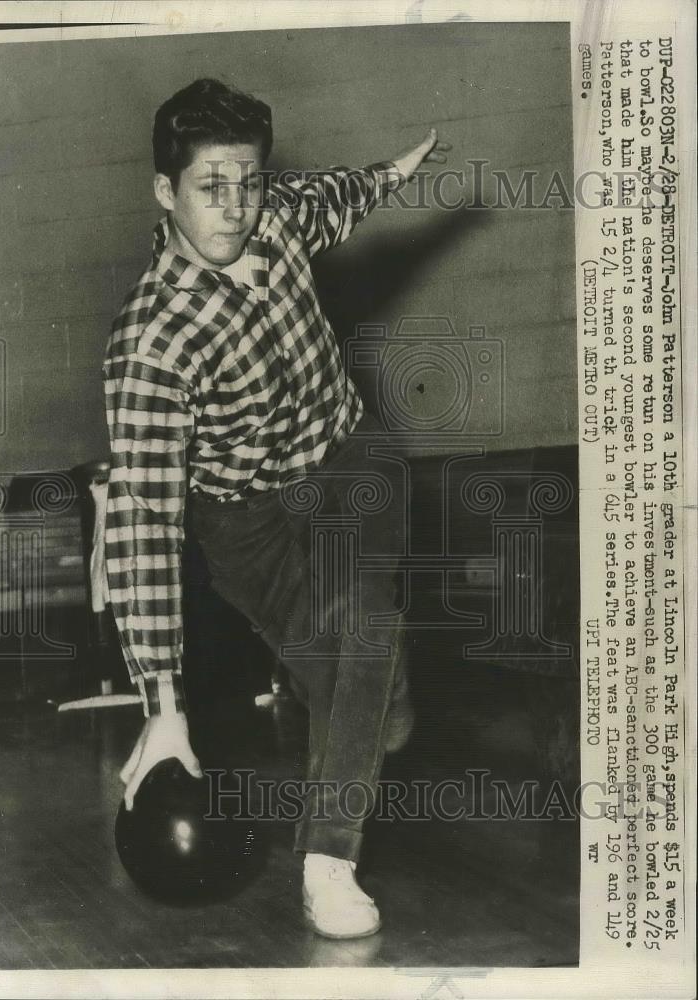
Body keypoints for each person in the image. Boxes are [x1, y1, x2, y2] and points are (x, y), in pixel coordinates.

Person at [102, 78, 450, 939]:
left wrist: (391, 172)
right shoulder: (151, 345)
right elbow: (144, 522)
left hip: (345, 464)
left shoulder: (278, 216)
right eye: (209, 187)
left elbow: (332, 196)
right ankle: (374, 693)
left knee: (362, 627)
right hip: (244, 521)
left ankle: (328, 862)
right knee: (354, 685)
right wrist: (163, 705)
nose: (235, 208)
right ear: (165, 191)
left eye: (250, 184)